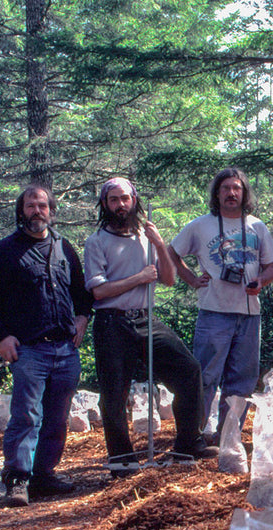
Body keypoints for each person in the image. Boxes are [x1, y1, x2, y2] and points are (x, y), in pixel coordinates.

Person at [84, 177, 217, 475]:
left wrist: (158, 244)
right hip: (111, 322)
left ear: (134, 201)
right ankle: (122, 459)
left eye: (125, 199)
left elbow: (168, 279)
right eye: (114, 200)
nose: (120, 205)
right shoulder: (96, 241)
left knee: (188, 370)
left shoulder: (145, 238)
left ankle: (188, 443)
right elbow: (99, 292)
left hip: (145, 318)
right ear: (105, 204)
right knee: (114, 392)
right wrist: (139, 278)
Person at [0, 185, 93, 506]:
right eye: (30, 206)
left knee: (57, 417)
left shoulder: (64, 248)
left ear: (51, 211)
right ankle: (17, 479)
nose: (37, 211)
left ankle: (43, 476)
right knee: (26, 416)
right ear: (21, 211)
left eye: (42, 205)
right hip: (28, 350)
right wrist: (0, 337)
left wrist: (82, 318)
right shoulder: (3, 252)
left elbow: (82, 293)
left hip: (66, 350)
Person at [168, 168, 273, 434]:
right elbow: (171, 252)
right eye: (226, 188)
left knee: (242, 381)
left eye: (236, 188)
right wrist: (191, 279)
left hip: (249, 314)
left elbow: (270, 268)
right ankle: (194, 436)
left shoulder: (257, 226)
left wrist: (260, 282)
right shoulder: (200, 225)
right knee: (205, 377)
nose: (231, 193)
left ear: (244, 193)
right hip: (213, 312)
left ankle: (229, 436)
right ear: (217, 194)